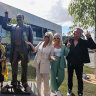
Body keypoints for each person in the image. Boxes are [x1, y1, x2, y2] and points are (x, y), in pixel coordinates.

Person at [1, 11, 33, 92]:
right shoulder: (13, 27)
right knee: (14, 65)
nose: (18, 19)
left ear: (23, 18)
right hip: (15, 49)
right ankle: (14, 81)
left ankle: (24, 82)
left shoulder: (28, 27)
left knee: (24, 66)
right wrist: (6, 16)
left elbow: (31, 39)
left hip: (24, 49)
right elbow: (4, 26)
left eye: (20, 18)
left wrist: (30, 49)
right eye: (17, 18)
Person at [66, 28, 96, 96]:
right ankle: (69, 90)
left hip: (79, 64)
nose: (74, 33)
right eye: (74, 32)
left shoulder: (83, 42)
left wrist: (89, 38)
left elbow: (94, 46)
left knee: (79, 78)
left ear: (80, 34)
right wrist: (67, 47)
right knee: (69, 77)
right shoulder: (69, 40)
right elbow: (64, 50)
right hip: (70, 63)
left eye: (76, 32)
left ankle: (80, 92)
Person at [25, 32, 55, 96]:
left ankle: (46, 94)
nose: (44, 37)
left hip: (45, 66)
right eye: (44, 36)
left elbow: (51, 56)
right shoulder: (40, 43)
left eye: (46, 36)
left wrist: (51, 58)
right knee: (38, 81)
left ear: (49, 38)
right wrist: (30, 44)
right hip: (38, 64)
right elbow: (34, 50)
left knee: (46, 82)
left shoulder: (51, 47)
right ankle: (38, 94)